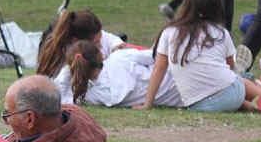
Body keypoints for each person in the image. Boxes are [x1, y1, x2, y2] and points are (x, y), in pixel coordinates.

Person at [137, 0, 261, 114]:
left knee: (224, 91)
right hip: (231, 94)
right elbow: (231, 69)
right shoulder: (220, 33)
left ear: (187, 4)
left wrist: (147, 104)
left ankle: (252, 107)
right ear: (217, 7)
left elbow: (159, 69)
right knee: (241, 80)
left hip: (198, 106)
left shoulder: (169, 32)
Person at [55, 40, 183, 108]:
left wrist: (68, 68)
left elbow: (61, 97)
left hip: (181, 99)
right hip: (180, 78)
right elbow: (156, 56)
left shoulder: (94, 96)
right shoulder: (120, 57)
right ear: (99, 54)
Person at [36, 9, 124, 78]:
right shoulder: (57, 63)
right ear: (76, 41)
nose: (100, 45)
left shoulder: (93, 33)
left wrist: (118, 49)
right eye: (96, 43)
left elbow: (112, 41)